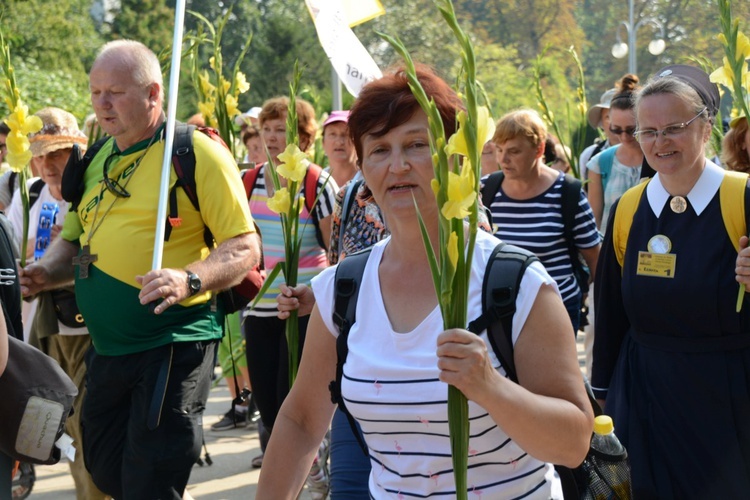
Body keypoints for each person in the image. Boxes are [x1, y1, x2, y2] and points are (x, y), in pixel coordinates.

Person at [257, 64, 593, 498]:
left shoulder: (514, 282)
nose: (397, 165)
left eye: (417, 145)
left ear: (454, 158)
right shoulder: (343, 288)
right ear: (362, 166)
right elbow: (301, 421)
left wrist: (491, 387)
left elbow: (573, 443)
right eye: (379, 149)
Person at [18, 40, 260, 500]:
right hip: (107, 349)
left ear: (153, 93)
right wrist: (44, 273)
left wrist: (189, 278)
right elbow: (73, 242)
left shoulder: (195, 153)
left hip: (171, 341)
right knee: (106, 472)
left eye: (115, 92)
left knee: (150, 479)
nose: (102, 104)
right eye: (95, 93)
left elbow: (244, 246)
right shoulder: (95, 159)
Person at [593, 64, 750, 497]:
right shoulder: (628, 207)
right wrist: (601, 398)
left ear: (706, 128)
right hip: (642, 399)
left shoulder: (743, 197)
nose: (660, 142)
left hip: (727, 403)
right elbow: (609, 315)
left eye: (675, 128)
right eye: (648, 131)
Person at [7, 107, 106, 500]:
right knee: (55, 426)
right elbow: (13, 248)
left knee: (86, 427)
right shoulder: (28, 194)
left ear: (79, 153)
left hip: (89, 331)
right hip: (41, 332)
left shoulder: (93, 194)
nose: (48, 165)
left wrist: (52, 269)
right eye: (41, 154)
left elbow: (97, 258)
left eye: (59, 153)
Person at [242, 96, 337, 495]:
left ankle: (301, 473)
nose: (273, 138)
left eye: (282, 130)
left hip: (304, 308)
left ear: (302, 138)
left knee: (291, 405)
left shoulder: (317, 182)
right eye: (267, 130)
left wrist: (315, 294)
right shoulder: (248, 181)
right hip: (261, 307)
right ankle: (306, 469)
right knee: (266, 405)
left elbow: (336, 252)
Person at [483, 109, 601, 333]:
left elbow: (594, 258)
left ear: (538, 149)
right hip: (500, 310)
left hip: (557, 309)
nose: (503, 160)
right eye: (498, 150)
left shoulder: (568, 193)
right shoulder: (486, 190)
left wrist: (602, 308)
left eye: (513, 151)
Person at [586, 74, 643, 230]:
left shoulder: (660, 160)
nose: (624, 137)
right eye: (616, 129)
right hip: (612, 250)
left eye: (632, 130)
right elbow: (594, 223)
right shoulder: (600, 163)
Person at [579, 88, 618, 179]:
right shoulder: (589, 155)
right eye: (608, 117)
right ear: (601, 122)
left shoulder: (645, 152)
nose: (614, 123)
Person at [321, 110, 358, 188]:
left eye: (345, 134)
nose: (339, 142)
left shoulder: (369, 181)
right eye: (332, 134)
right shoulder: (316, 183)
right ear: (323, 143)